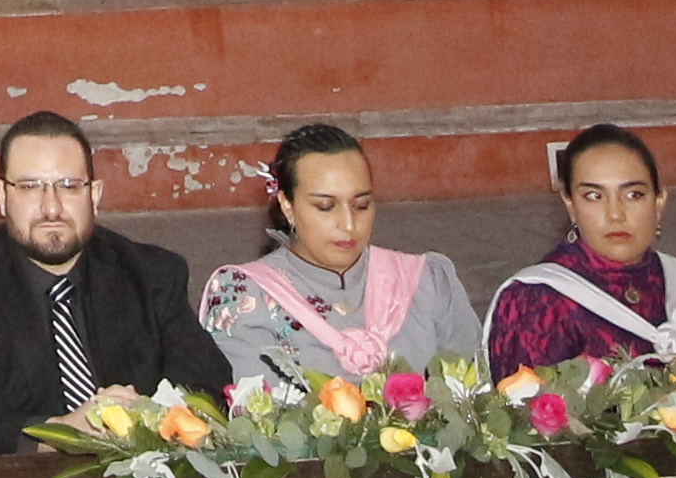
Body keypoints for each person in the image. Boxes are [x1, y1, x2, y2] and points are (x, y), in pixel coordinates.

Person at [0, 110, 225, 450]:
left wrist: (148, 417)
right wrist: (61, 432)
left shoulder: (152, 274)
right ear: (2, 196)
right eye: (30, 187)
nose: (51, 208)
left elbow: (207, 384)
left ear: (95, 194)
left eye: (69, 186)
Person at [199, 124, 482, 397]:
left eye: (361, 205)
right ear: (287, 205)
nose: (348, 224)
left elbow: (476, 397)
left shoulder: (425, 280)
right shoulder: (246, 296)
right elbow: (257, 423)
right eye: (325, 207)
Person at [481, 125, 676, 375]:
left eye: (633, 194)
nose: (615, 214)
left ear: (658, 202)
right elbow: (523, 416)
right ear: (570, 205)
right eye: (594, 196)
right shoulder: (537, 301)